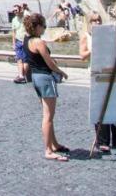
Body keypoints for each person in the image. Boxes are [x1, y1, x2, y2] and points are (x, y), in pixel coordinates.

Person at [78, 12, 116, 156]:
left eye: (99, 20)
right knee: (100, 108)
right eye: (94, 20)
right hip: (96, 74)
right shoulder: (86, 36)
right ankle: (103, 141)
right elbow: (82, 55)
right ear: (89, 22)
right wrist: (93, 48)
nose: (97, 23)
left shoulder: (107, 35)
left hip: (112, 72)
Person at [25, 12, 70, 162]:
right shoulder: (39, 42)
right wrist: (61, 72)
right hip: (45, 77)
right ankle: (48, 150)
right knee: (48, 116)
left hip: (36, 77)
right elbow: (49, 62)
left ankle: (54, 144)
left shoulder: (27, 40)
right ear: (37, 27)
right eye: (43, 26)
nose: (44, 28)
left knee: (48, 114)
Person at [9, 5, 28, 83]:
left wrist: (26, 39)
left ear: (20, 10)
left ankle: (23, 75)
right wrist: (13, 43)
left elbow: (29, 29)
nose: (14, 12)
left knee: (26, 60)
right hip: (18, 41)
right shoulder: (14, 20)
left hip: (26, 41)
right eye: (13, 11)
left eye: (16, 10)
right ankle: (21, 75)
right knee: (19, 59)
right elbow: (13, 32)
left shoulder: (26, 17)